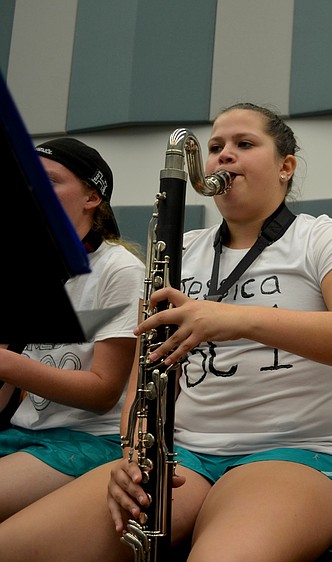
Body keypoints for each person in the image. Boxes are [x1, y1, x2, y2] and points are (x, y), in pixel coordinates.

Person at [0, 103, 332, 561]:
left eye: (244, 144)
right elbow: (141, 375)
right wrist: (131, 451)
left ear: (286, 167)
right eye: (215, 147)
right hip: (182, 456)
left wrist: (235, 318)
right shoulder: (179, 250)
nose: (224, 155)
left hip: (299, 453)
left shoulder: (324, 238)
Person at [0, 138, 144, 522]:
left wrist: (3, 363)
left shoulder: (120, 270)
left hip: (93, 440)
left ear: (91, 197)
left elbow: (102, 392)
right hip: (23, 434)